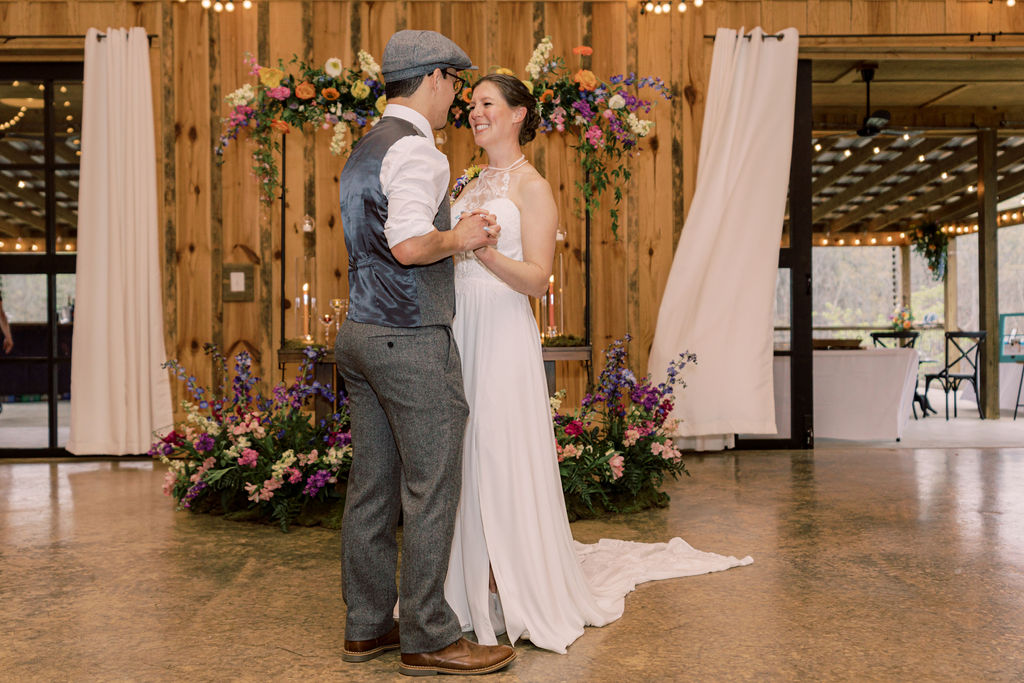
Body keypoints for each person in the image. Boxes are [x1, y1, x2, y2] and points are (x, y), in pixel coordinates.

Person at [445, 74, 753, 654]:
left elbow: (537, 279)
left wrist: (480, 251)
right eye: (472, 104)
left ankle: (513, 581)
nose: (475, 112)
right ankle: (468, 580)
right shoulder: (467, 179)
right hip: (461, 326)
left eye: (487, 103)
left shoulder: (533, 188)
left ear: (518, 115)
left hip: (503, 327)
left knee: (498, 448)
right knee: (461, 449)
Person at [334, 31, 518, 677]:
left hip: (358, 332)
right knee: (432, 484)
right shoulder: (418, 150)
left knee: (372, 487)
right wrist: (461, 234)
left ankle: (366, 624)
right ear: (435, 78)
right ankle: (430, 633)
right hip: (409, 337)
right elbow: (411, 245)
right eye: (454, 84)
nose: (457, 98)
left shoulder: (365, 146)